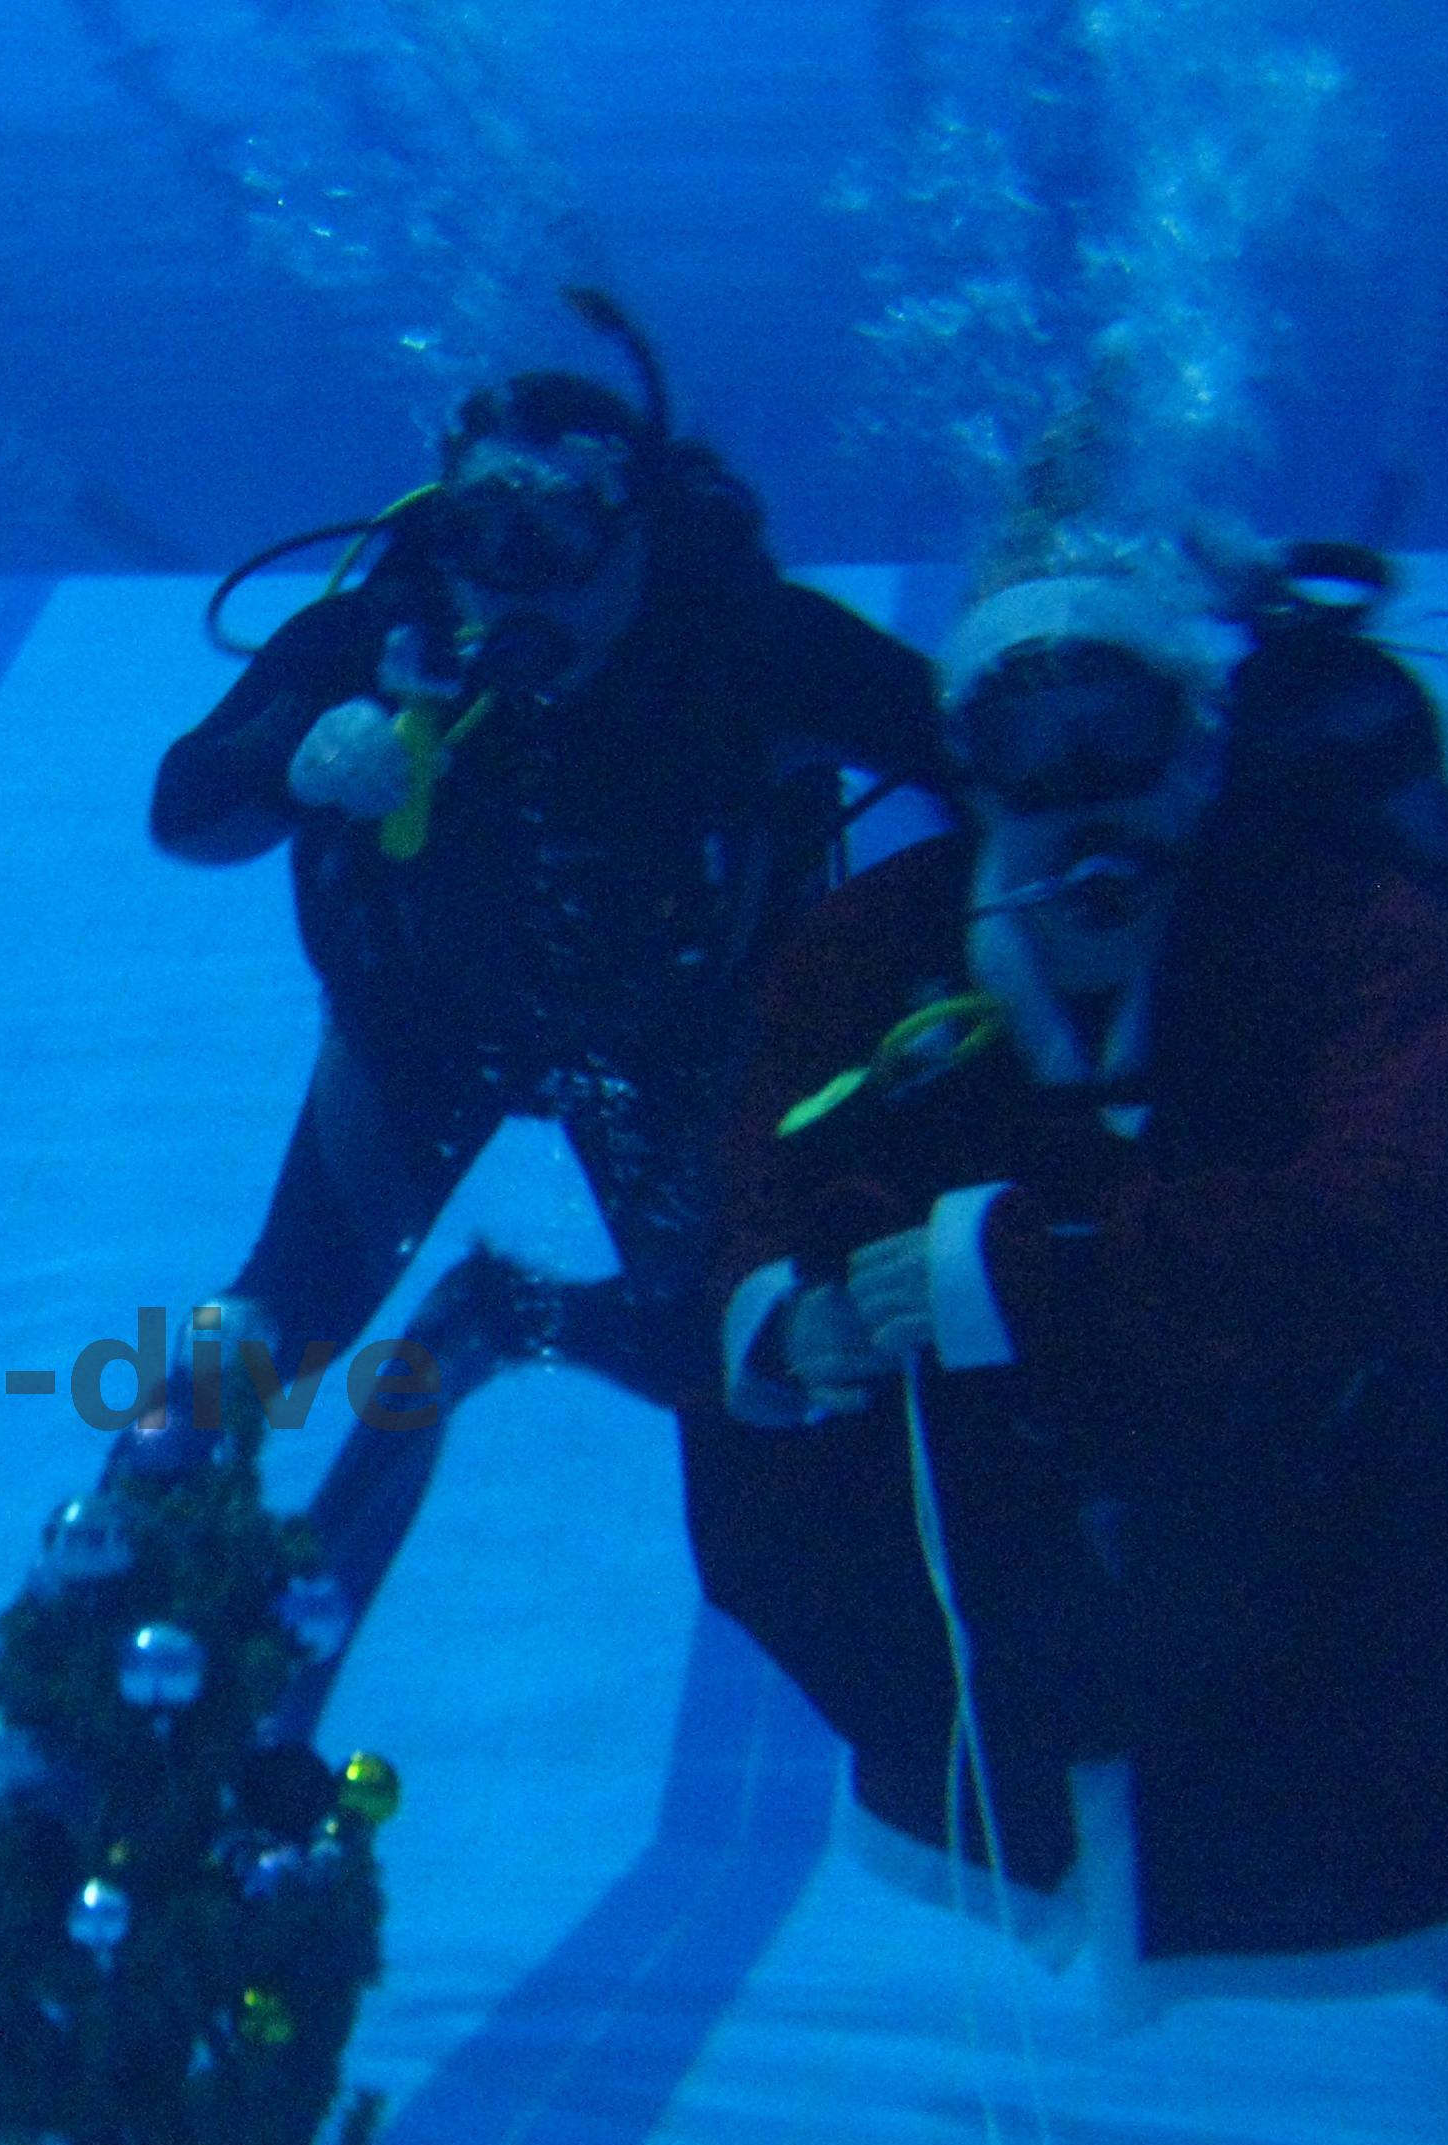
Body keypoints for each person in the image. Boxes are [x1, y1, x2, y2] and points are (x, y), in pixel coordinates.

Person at [686, 541, 1448, 2145]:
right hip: (1082, 1586)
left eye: (1117, 736)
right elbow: (760, 1175)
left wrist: (1017, 1270)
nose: (1077, 796)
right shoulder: (876, 944)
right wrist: (779, 1314)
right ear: (966, 766)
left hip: (1354, 1534)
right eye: (1026, 750)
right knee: (1133, 1876)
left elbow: (1407, 1228)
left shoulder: (1349, 935)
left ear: (1192, 746)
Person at [151, 294, 944, 1414]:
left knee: (733, 1347)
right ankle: (150, 1489)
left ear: (641, 531)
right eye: (481, 534)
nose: (512, 579)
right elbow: (183, 810)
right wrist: (295, 765)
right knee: (280, 1325)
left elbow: (978, 755)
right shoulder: (377, 640)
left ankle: (515, 1316)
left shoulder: (747, 645)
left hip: (679, 1042)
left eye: (558, 537)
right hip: (416, 1031)